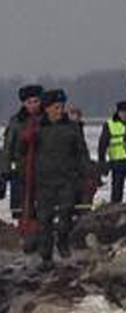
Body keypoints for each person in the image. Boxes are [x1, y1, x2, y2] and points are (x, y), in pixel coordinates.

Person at [31, 89, 91, 267]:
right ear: (47, 108)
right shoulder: (37, 128)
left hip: (67, 179)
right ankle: (46, 256)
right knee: (45, 219)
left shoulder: (72, 128)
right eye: (56, 107)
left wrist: (86, 172)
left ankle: (63, 241)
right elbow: (25, 153)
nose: (60, 110)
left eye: (61, 107)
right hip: (44, 180)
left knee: (66, 214)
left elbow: (82, 152)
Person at [4, 85, 44, 225]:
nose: (33, 105)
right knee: (22, 207)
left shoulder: (47, 120)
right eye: (29, 102)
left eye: (36, 101)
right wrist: (6, 170)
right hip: (21, 170)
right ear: (24, 103)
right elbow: (8, 147)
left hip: (43, 170)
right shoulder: (16, 122)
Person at [98, 101, 126, 203]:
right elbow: (102, 145)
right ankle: (115, 206)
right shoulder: (110, 124)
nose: (125, 114)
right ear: (118, 112)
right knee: (117, 189)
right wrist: (102, 163)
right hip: (117, 162)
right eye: (122, 112)